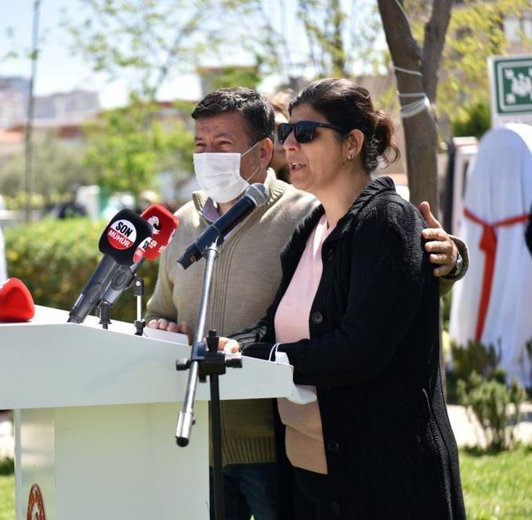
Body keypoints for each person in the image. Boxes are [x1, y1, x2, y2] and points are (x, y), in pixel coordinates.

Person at [145, 86, 467, 520]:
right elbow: (274, 324)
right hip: (309, 474)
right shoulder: (312, 228)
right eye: (287, 131)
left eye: (306, 132)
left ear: (351, 144)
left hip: (380, 476)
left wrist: (261, 356)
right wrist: (237, 347)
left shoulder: (384, 220)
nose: (289, 144)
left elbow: (361, 347)